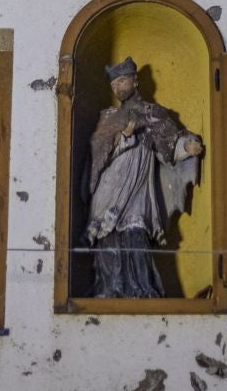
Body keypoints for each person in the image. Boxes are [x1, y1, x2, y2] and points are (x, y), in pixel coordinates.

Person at [84, 56, 204, 298]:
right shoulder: (109, 117)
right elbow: (98, 152)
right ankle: (109, 289)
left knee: (135, 231)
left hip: (137, 181)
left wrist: (188, 146)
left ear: (135, 81)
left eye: (121, 81)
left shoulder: (152, 113)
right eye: (113, 85)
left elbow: (169, 144)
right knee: (106, 234)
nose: (117, 88)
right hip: (110, 182)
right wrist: (122, 138)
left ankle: (141, 290)